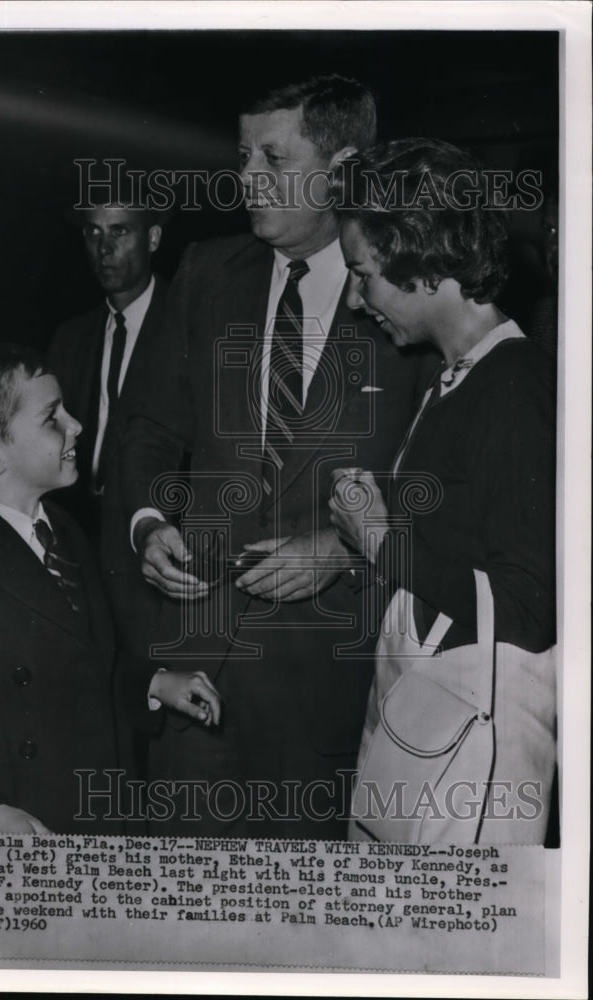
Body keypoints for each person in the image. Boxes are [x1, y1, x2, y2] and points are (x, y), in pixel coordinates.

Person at [120, 76, 431, 838]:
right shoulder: (202, 275)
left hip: (332, 688)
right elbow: (144, 433)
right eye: (241, 155)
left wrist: (348, 548)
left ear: (342, 166)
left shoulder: (410, 294)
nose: (245, 179)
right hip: (195, 672)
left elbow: (451, 485)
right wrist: (147, 524)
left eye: (272, 158)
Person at [328, 138, 556, 843]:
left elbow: (528, 608)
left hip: (469, 763)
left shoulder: (517, 387)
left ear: (424, 267)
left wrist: (377, 541)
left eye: (363, 274)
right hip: (424, 737)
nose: (356, 298)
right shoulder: (454, 381)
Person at [0, 343, 220, 833]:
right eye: (53, 417)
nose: (76, 425)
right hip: (22, 821)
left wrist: (151, 683)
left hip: (97, 806)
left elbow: (86, 661)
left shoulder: (65, 530)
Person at [47, 197, 168, 660]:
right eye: (92, 233)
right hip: (80, 535)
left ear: (153, 238)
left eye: (120, 231)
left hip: (154, 541)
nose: (103, 247)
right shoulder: (71, 336)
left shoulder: (191, 322)